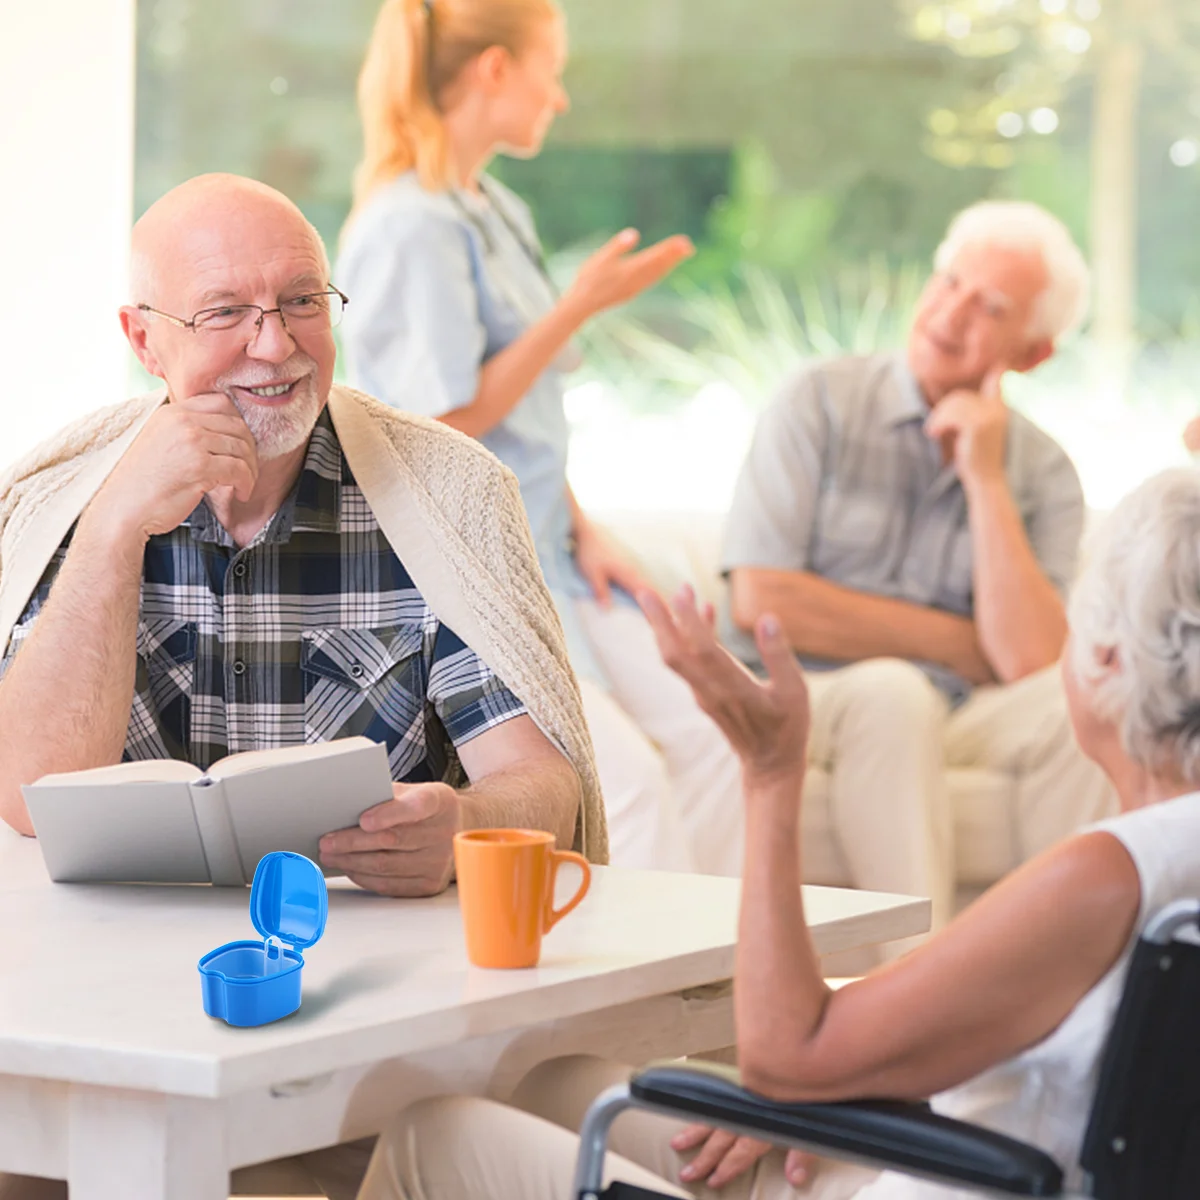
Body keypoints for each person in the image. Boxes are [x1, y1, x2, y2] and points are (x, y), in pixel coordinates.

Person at [354, 464, 1200, 1200]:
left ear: (1107, 662)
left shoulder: (1105, 877)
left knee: (436, 1137)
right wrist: (832, 1080)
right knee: (556, 1085)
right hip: (959, 1153)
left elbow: (782, 1057)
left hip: (927, 1178)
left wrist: (770, 772)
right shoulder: (1163, 861)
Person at [0, 172, 605, 1197]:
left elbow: (547, 787)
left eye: (300, 303)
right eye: (226, 312)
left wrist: (458, 823)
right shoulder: (62, 500)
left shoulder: (443, 497)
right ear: (144, 341)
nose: (274, 346)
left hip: (364, 1026)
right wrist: (113, 531)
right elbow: (26, 795)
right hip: (100, 1014)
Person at [337, 0, 739, 871]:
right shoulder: (412, 226)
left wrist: (585, 530)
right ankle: (637, 988)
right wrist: (577, 308)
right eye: (550, 71)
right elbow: (441, 429)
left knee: (717, 734)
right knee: (623, 783)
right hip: (481, 569)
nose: (558, 98)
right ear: (493, 70)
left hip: (550, 548)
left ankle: (718, 979)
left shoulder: (495, 209)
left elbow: (524, 427)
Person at [712, 201, 1116, 932]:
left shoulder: (1045, 471)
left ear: (1033, 352)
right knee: (893, 695)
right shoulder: (820, 401)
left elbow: (1028, 661)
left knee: (1084, 696)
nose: (950, 313)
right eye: (949, 280)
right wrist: (959, 643)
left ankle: (1072, 980)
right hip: (811, 695)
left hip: (955, 711)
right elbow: (763, 601)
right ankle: (921, 995)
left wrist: (985, 479)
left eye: (989, 306)